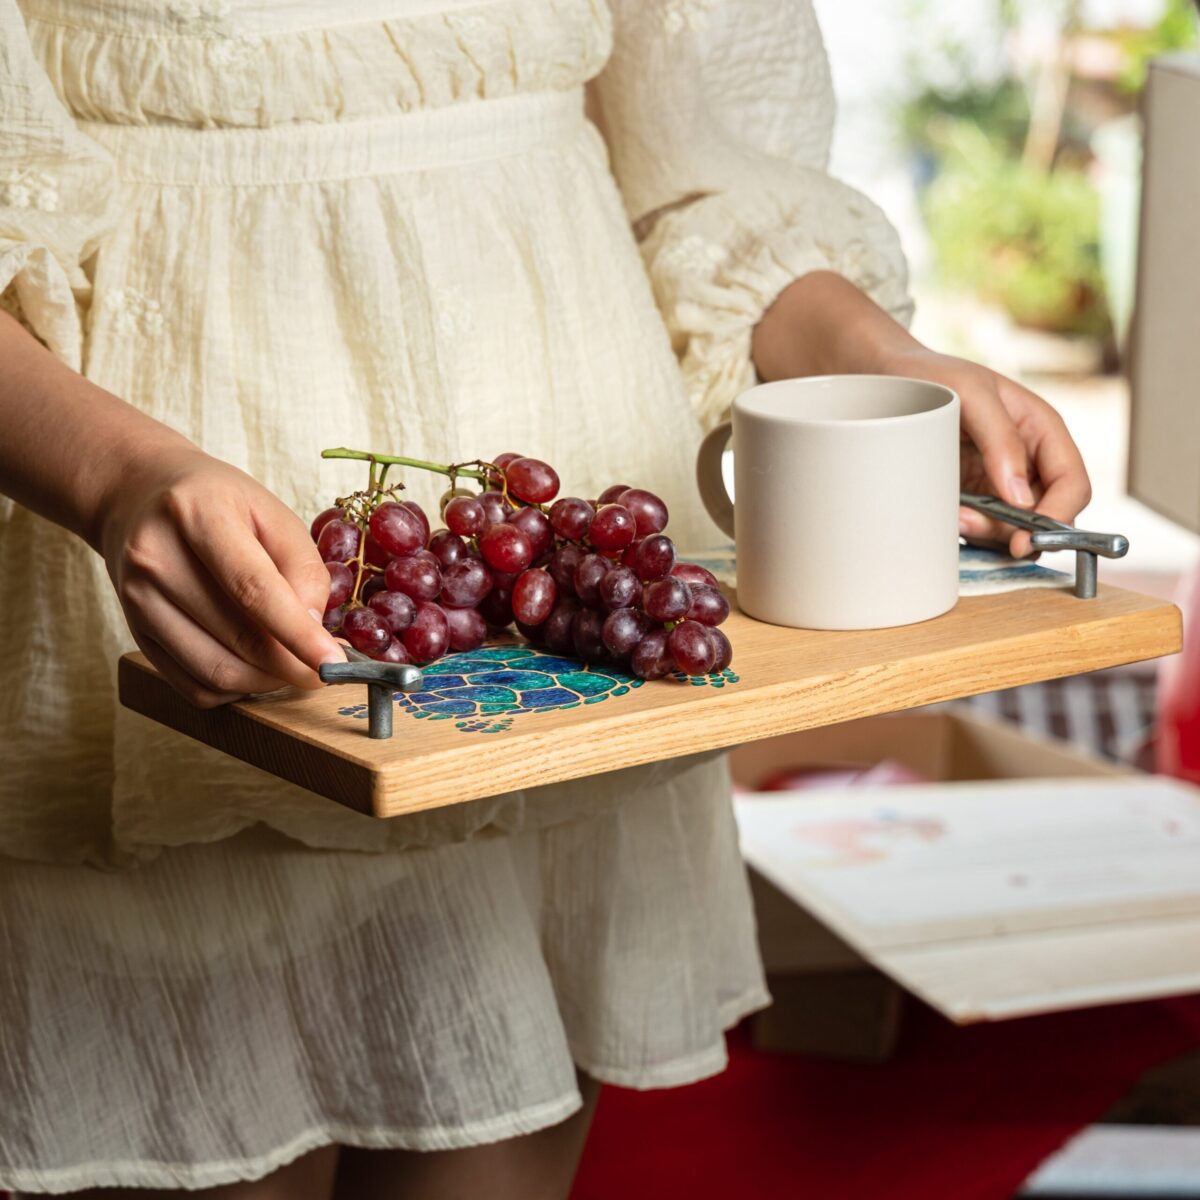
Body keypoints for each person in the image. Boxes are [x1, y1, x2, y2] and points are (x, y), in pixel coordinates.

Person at [0, 0, 1091, 1196]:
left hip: (571, 656)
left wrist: (880, 368)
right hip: (190, 602)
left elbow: (699, 166)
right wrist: (111, 476)